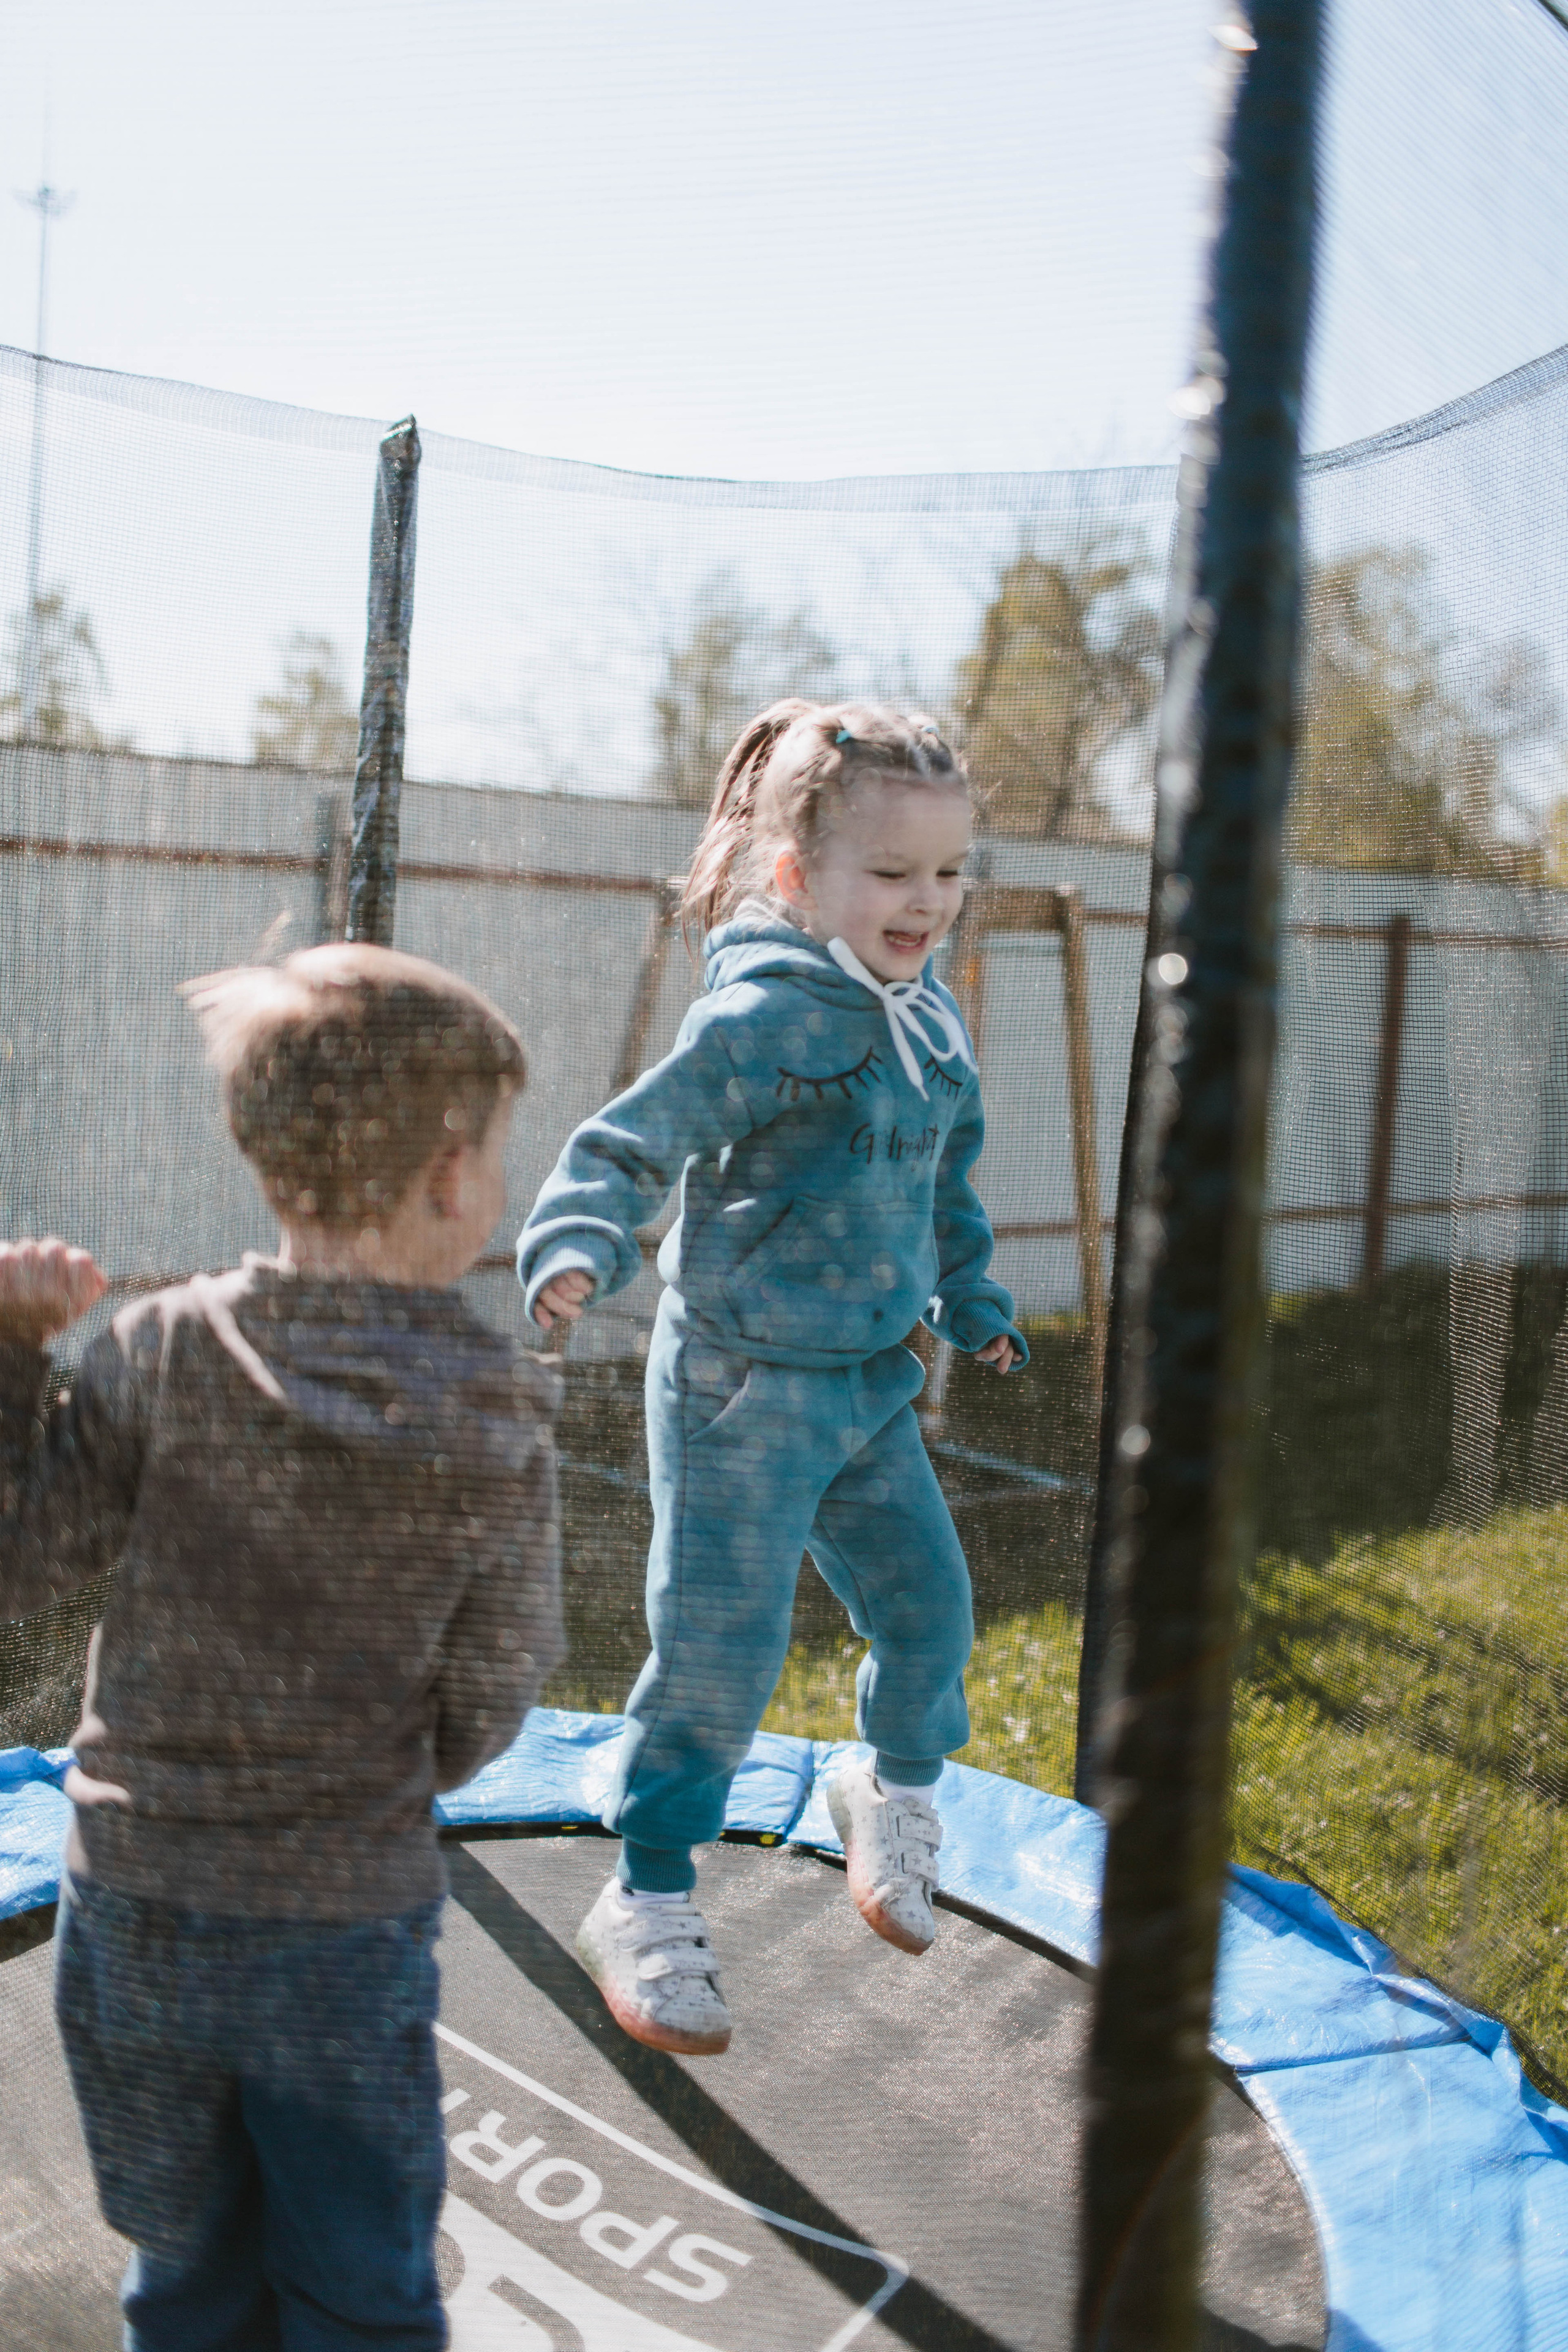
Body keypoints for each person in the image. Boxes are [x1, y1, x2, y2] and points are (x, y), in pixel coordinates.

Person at [0, 943, 564, 2351]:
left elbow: (19, 1565)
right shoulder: (494, 1405)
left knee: (186, 2272)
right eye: (497, 1158)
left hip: (133, 1913)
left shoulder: (155, 1350)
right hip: (338, 1932)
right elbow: (500, 1676)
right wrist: (411, 1767)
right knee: (362, 2290)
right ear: (449, 1179)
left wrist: (14, 1356)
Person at [517, 699, 1025, 2059]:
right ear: (798, 879)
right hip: (740, 1392)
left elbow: (946, 1189)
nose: (928, 902)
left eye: (946, 872)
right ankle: (646, 1896)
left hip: (868, 1388)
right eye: (893, 874)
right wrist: (576, 1240)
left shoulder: (930, 1028)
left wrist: (967, 1294)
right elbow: (627, 1145)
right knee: (715, 1666)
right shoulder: (757, 1018)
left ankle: (885, 1789)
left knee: (929, 1618)